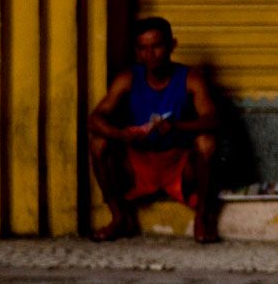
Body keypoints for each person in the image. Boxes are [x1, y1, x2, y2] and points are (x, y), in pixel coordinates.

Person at [88, 16, 222, 243]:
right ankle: (120, 218)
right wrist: (120, 134)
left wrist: (176, 126)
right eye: (143, 49)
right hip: (139, 165)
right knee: (99, 142)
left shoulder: (190, 78)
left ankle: (203, 218)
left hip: (177, 165)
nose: (150, 55)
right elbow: (95, 119)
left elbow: (213, 120)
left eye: (157, 46)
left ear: (172, 45)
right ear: (137, 51)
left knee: (207, 143)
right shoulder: (128, 78)